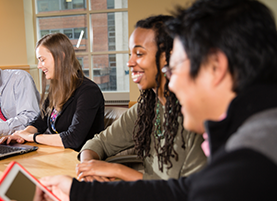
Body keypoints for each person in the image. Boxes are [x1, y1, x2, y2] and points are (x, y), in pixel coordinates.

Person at [0, 0, 277, 201]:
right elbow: (182, 193)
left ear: (216, 68)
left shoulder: (249, 169)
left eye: (176, 68)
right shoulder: (268, 130)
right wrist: (79, 191)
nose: (171, 83)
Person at [77, 16, 206, 182]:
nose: (130, 63)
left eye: (139, 54)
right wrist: (90, 169)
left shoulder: (194, 117)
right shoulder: (147, 108)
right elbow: (98, 143)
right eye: (130, 54)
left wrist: (118, 170)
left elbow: (187, 193)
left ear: (168, 57)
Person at [0, 33, 104, 152]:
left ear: (61, 57)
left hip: (79, 159)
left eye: (42, 60)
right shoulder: (57, 89)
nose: (39, 66)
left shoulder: (89, 92)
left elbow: (73, 139)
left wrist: (31, 137)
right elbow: (40, 122)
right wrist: (21, 134)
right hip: (58, 153)